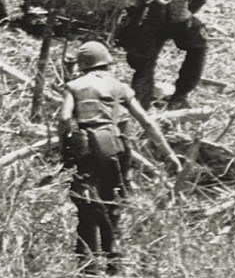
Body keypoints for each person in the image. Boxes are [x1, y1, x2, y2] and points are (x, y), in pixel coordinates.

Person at [59, 41, 180, 276]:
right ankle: (114, 264)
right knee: (113, 205)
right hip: (116, 149)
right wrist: (169, 154)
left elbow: (64, 118)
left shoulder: (74, 86)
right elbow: (147, 122)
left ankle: (87, 267)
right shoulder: (120, 87)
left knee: (86, 207)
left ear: (82, 64)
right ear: (106, 61)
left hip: (87, 151)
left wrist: (63, 143)